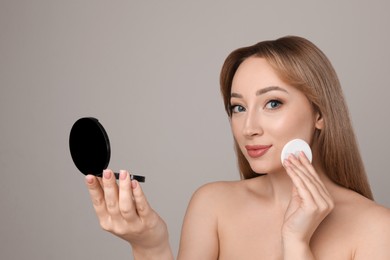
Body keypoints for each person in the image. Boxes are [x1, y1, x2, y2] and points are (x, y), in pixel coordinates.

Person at [85, 36, 390, 259]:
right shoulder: (213, 205)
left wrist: (297, 244)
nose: (249, 128)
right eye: (238, 107)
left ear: (319, 114)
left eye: (273, 103)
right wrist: (149, 245)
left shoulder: (376, 228)